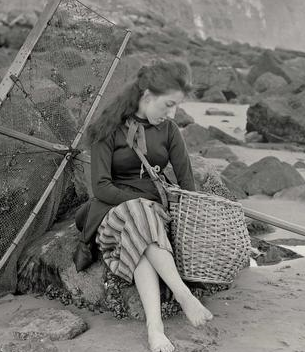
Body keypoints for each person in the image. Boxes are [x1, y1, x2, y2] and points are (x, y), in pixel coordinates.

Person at [73, 60, 213, 352]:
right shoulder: (107, 129)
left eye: (177, 106)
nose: (173, 113)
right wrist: (138, 203)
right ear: (147, 96)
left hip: (152, 217)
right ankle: (183, 295)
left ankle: (155, 328)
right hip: (112, 213)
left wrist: (197, 221)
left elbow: (187, 181)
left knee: (142, 230)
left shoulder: (170, 130)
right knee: (138, 214)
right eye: (168, 105)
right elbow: (100, 187)